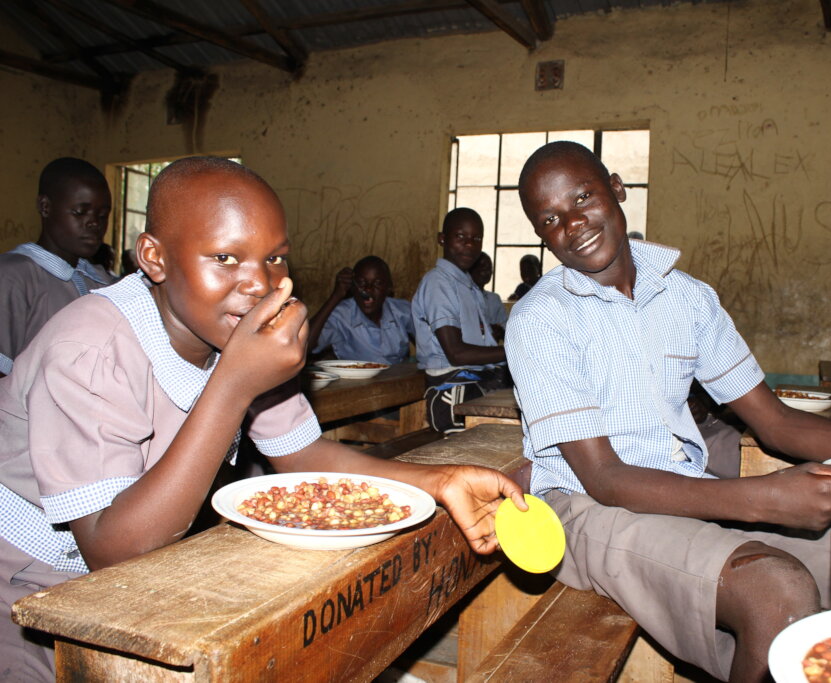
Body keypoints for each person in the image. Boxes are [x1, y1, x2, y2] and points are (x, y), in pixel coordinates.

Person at [504, 141, 831, 682]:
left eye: (583, 196)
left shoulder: (687, 299)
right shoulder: (542, 320)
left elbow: (776, 421)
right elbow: (606, 479)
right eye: (550, 218)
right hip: (583, 509)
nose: (573, 222)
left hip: (677, 488)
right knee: (776, 588)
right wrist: (764, 499)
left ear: (616, 187)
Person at [0, 157, 526, 682]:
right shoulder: (90, 347)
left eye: (274, 258)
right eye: (225, 257)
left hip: (146, 571)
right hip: (26, 587)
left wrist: (442, 479)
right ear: (154, 258)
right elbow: (113, 550)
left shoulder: (237, 333)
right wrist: (233, 384)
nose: (257, 284)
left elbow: (304, 454)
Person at [0, 157, 114, 377]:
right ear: (45, 207)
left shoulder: (101, 281)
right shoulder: (13, 276)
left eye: (102, 215)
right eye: (81, 212)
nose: (94, 223)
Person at [412, 208, 509, 434]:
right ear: (442, 239)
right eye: (460, 237)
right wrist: (512, 351)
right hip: (452, 387)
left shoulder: (469, 285)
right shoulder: (438, 282)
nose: (469, 244)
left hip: (478, 379)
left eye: (476, 239)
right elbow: (456, 353)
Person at [308, 256, 414, 365]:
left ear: (389, 288)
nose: (368, 289)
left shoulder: (402, 311)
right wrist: (336, 296)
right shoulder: (342, 316)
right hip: (357, 380)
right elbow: (304, 345)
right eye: (361, 283)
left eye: (377, 283)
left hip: (398, 379)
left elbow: (429, 341)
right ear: (352, 287)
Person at [469, 251, 507, 342]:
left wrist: (500, 330)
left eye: (489, 268)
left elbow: (505, 324)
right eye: (482, 267)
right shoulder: (464, 296)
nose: (486, 271)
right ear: (471, 269)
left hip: (491, 348)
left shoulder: (494, 298)